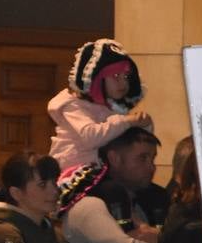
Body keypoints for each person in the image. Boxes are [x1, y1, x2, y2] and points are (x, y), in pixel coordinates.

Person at [47, 38, 154, 173]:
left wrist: (145, 125)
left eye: (126, 76)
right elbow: (91, 137)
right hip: (73, 175)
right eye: (115, 76)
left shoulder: (113, 110)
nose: (123, 83)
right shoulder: (73, 105)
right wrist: (126, 122)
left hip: (101, 173)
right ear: (96, 78)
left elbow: (129, 143)